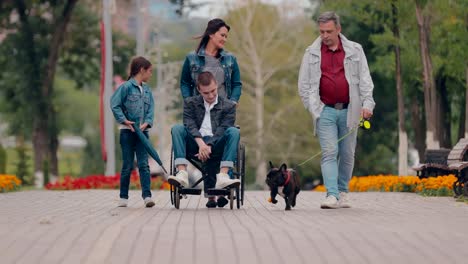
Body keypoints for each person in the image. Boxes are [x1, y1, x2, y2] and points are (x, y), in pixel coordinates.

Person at [298, 11, 375, 209]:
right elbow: (304, 86)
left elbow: (365, 81)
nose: (324, 36)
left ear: (338, 30)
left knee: (347, 153)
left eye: (329, 31)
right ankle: (331, 195)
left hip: (351, 110)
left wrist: (367, 104)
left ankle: (343, 191)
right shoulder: (311, 53)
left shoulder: (355, 51)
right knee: (329, 152)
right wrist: (315, 109)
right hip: (325, 111)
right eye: (322, 31)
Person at [168, 71, 241, 208]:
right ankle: (182, 173)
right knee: (177, 128)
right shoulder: (190, 103)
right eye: (206, 93)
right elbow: (189, 124)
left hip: (218, 145)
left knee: (233, 131)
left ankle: (223, 177)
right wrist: (201, 144)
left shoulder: (229, 106)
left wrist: (208, 146)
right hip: (196, 145)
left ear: (217, 85)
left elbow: (224, 128)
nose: (211, 95)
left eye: (213, 91)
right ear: (199, 90)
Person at [110, 56, 156, 208]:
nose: (150, 74)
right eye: (149, 71)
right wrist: (124, 120)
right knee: (127, 165)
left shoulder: (148, 90)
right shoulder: (125, 87)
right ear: (142, 70)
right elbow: (114, 104)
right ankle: (123, 197)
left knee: (144, 165)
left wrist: (147, 123)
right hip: (127, 133)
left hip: (142, 133)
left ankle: (147, 196)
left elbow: (150, 110)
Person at [180, 18, 242, 104]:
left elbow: (236, 84)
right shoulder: (192, 58)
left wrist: (233, 101)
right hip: (198, 110)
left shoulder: (230, 59)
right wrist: (188, 101)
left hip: (223, 111)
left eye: (226, 36)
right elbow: (185, 83)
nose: (225, 39)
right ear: (211, 34)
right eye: (222, 35)